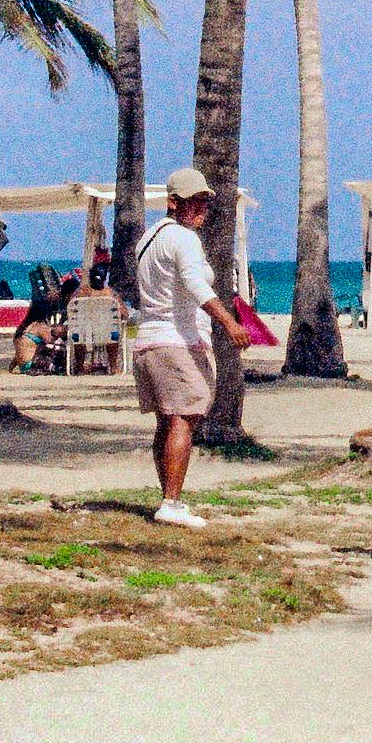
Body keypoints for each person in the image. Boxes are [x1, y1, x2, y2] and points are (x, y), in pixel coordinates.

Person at [132, 168, 224, 532]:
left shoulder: (148, 239)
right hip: (176, 341)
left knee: (167, 421)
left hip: (148, 342)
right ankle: (171, 502)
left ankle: (169, 498)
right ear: (174, 202)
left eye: (204, 201)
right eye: (194, 201)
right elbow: (195, 285)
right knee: (184, 417)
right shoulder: (183, 239)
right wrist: (230, 323)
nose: (201, 207)